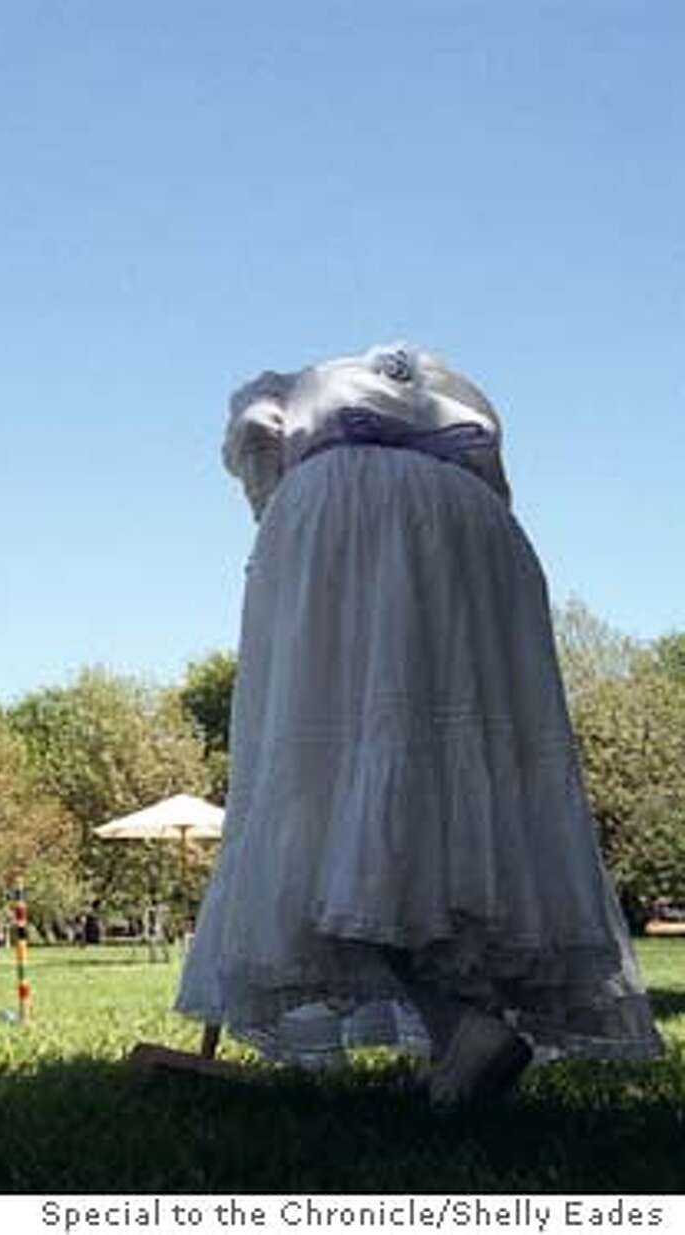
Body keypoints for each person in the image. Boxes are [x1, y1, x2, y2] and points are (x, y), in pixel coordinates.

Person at [175, 343, 661, 1107]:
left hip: (336, 525)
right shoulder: (454, 409)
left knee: (325, 789)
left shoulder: (279, 396)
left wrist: (278, 541)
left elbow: (258, 449)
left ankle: (460, 1026)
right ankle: (463, 1040)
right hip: (477, 536)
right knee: (451, 789)